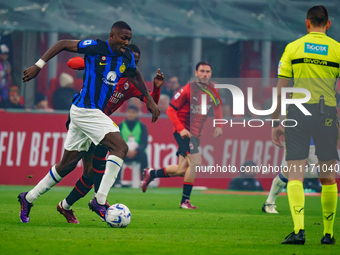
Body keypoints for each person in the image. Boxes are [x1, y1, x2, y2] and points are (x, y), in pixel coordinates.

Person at [18, 21, 160, 223]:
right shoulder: (96, 47)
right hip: (86, 110)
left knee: (66, 165)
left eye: (129, 39)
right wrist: (38, 66)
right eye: (123, 38)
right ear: (112, 36)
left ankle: (28, 198)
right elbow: (63, 43)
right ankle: (100, 200)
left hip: (87, 114)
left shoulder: (126, 57)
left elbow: (135, 74)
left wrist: (150, 99)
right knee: (121, 147)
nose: (126, 42)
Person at [56, 44, 164, 223]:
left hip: (101, 126)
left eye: (136, 63)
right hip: (84, 118)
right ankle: (95, 201)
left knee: (91, 172)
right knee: (74, 166)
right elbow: (71, 62)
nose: (133, 65)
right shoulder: (106, 66)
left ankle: (73, 205)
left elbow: (150, 102)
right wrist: (85, 61)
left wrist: (157, 88)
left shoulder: (130, 85)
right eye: (132, 60)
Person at [271, 6, 339, 245]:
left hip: (297, 113)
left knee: (295, 173)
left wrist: (277, 121)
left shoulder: (293, 47)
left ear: (307, 23)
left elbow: (281, 88)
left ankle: (298, 231)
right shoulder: (338, 50)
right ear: (328, 24)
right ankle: (328, 234)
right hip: (327, 113)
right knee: (328, 175)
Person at [141, 61, 223, 209]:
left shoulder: (213, 89)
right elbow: (170, 110)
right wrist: (181, 129)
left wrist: (219, 125)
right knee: (196, 162)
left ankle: (151, 174)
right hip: (184, 133)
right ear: (196, 73)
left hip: (196, 134)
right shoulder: (186, 90)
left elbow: (217, 106)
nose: (205, 74)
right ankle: (184, 201)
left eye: (208, 72)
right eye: (202, 71)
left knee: (181, 170)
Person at [262, 140, 319, 214]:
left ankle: (294, 174)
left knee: (323, 171)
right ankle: (269, 203)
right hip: (296, 138)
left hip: (317, 140)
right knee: (288, 172)